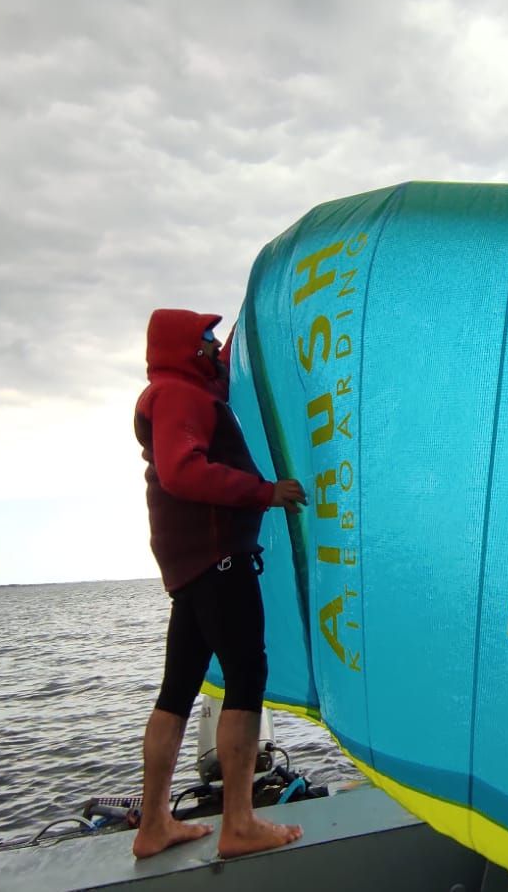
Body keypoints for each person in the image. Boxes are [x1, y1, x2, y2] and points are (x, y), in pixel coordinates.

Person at [130, 308, 307, 859]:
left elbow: (226, 363)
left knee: (178, 688)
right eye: (204, 337)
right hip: (217, 560)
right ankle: (239, 822)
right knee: (246, 676)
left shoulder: (175, 390)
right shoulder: (183, 397)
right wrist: (265, 492)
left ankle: (154, 822)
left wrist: (254, 317)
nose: (212, 344)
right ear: (185, 348)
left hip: (191, 567)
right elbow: (184, 472)